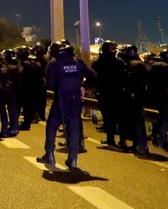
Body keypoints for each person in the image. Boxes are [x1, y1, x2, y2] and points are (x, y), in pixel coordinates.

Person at [38, 40, 97, 169]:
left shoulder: (53, 64)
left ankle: (49, 155)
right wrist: (83, 86)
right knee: (74, 128)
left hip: (61, 99)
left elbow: (50, 84)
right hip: (75, 99)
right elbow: (94, 76)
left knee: (51, 126)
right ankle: (73, 159)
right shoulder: (78, 62)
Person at [91, 40, 127, 147]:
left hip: (105, 94)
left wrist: (95, 90)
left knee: (108, 118)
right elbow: (125, 78)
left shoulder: (97, 63)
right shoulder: (120, 62)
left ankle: (110, 139)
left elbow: (93, 79)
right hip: (118, 94)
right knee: (120, 118)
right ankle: (122, 140)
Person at [119, 44, 149, 154]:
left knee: (137, 122)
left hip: (135, 99)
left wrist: (131, 94)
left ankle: (140, 146)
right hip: (135, 98)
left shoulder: (135, 65)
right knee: (135, 122)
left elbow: (135, 83)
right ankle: (137, 144)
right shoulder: (135, 64)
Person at [148, 50, 168, 148]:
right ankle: (160, 141)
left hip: (149, 96)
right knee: (166, 117)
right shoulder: (165, 66)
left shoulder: (150, 64)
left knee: (156, 118)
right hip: (160, 96)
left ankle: (155, 136)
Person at [17, 46, 38, 131]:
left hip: (27, 88)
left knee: (26, 106)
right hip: (28, 87)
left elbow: (23, 76)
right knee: (26, 106)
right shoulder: (27, 63)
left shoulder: (26, 64)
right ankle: (26, 121)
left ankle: (26, 123)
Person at [3, 48, 23, 136]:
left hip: (12, 91)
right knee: (15, 109)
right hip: (18, 90)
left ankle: (14, 128)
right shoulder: (19, 65)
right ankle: (13, 126)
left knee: (12, 110)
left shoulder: (9, 67)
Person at [31, 43, 48, 121]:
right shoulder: (42, 58)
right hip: (40, 81)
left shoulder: (43, 59)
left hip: (39, 81)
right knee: (39, 99)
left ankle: (39, 115)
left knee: (38, 99)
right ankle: (40, 115)